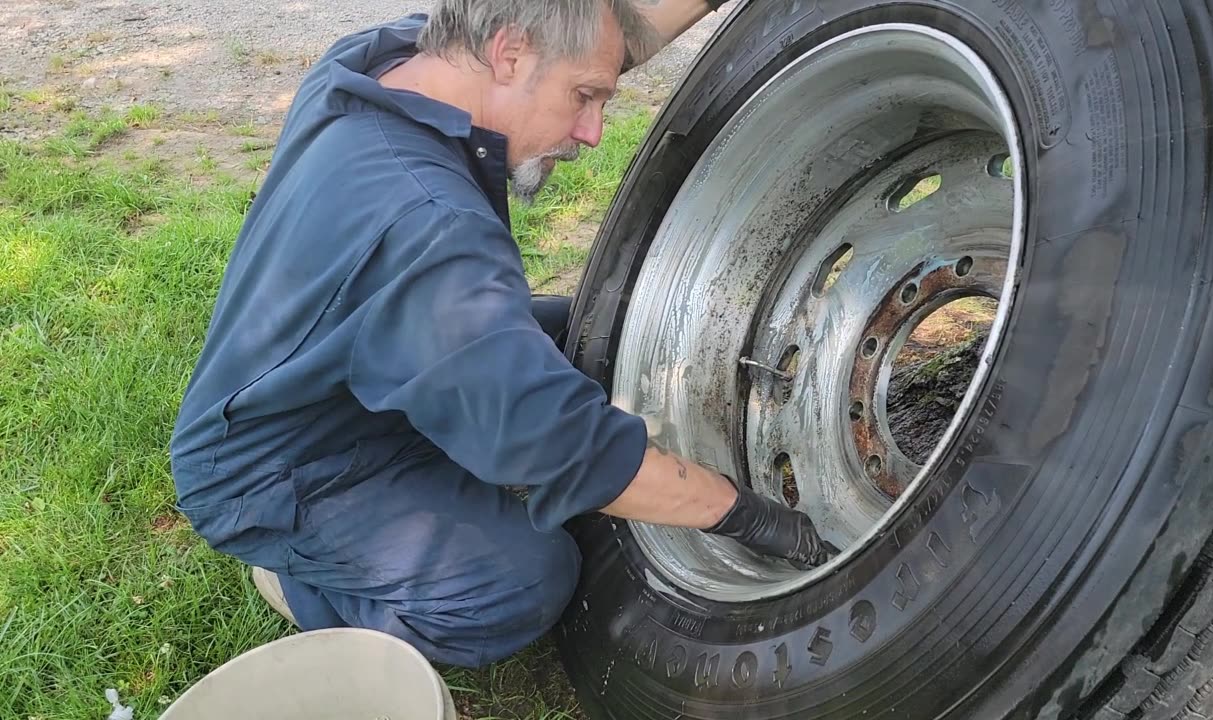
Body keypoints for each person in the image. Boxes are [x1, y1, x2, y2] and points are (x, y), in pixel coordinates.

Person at [169, 0, 833, 670]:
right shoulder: (429, 230)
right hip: (285, 469)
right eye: (584, 97)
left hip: (350, 378)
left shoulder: (387, 64)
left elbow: (606, 39)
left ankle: (443, 468)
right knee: (523, 584)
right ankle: (306, 586)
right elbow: (568, 447)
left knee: (599, 332)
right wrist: (753, 518)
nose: (594, 131)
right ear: (509, 53)